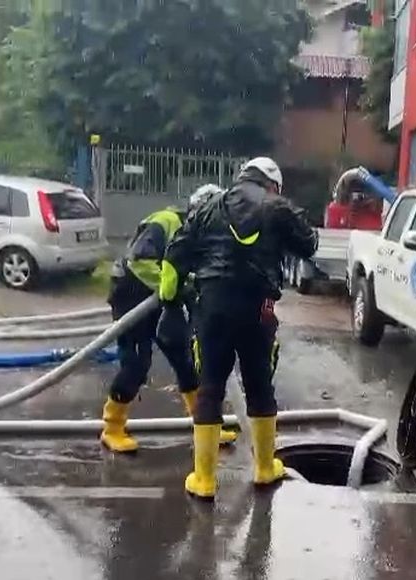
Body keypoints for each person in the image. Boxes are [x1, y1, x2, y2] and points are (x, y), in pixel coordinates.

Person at [159, 157, 318, 499]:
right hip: (258, 310)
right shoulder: (278, 206)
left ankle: (204, 480)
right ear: (272, 184)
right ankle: (264, 468)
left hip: (212, 307)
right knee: (259, 385)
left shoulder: (208, 208)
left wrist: (169, 301)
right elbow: (309, 245)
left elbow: (173, 258)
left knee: (210, 387)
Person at [100, 184, 238, 453]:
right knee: (137, 363)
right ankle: (112, 428)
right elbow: (140, 262)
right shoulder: (166, 222)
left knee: (185, 359)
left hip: (164, 297)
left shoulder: (200, 234)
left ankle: (204, 424)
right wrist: (175, 286)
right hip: (132, 295)